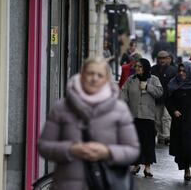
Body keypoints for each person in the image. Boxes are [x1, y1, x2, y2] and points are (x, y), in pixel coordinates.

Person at [38, 57, 140, 190]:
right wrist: (71, 150)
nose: (94, 78)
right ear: (81, 75)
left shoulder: (119, 109)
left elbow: (133, 150)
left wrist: (107, 152)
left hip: (105, 183)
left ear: (106, 79)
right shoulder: (62, 108)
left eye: (100, 75)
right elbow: (44, 146)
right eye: (90, 73)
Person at [121, 58, 163, 178]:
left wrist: (147, 87)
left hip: (148, 116)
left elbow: (160, 93)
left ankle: (148, 167)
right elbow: (123, 94)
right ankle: (136, 164)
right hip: (133, 116)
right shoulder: (131, 80)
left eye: (140, 66)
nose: (137, 69)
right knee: (135, 141)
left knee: (148, 142)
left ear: (145, 67)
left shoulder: (154, 79)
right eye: (136, 66)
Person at [151, 51, 177, 145]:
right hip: (157, 98)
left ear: (167, 59)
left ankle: (166, 136)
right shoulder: (153, 69)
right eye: (160, 58)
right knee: (157, 119)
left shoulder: (173, 70)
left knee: (166, 118)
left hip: (168, 98)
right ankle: (160, 136)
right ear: (157, 59)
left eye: (164, 58)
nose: (162, 60)